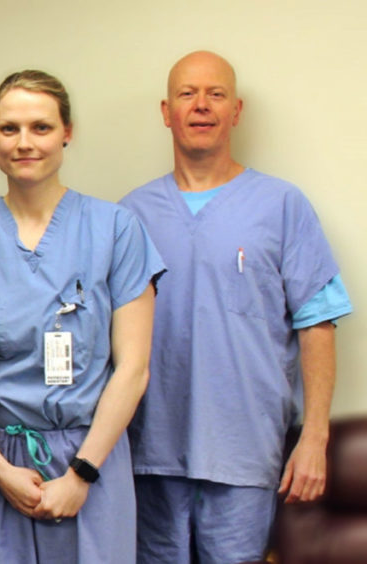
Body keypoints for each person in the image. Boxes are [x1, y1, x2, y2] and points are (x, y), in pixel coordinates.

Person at [119, 51, 353, 563]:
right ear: (166, 111)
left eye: (216, 94)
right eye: (187, 94)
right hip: (149, 453)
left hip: (244, 454)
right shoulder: (130, 214)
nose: (201, 106)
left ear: (237, 110)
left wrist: (314, 437)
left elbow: (318, 324)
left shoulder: (282, 205)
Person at [0, 70, 165, 564]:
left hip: (93, 455)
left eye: (40, 127)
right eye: (9, 128)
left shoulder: (116, 229)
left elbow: (132, 368)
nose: (24, 143)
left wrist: (83, 472)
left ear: (68, 132)